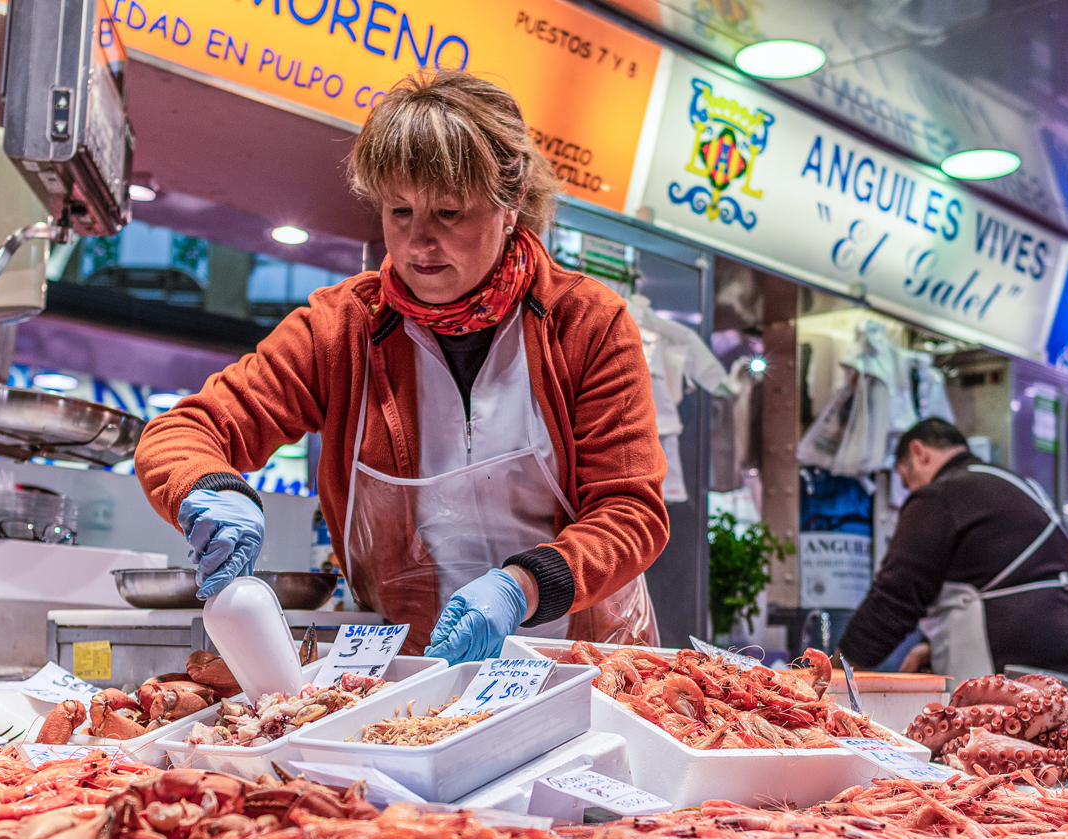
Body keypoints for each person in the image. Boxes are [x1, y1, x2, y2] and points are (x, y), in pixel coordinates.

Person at [134, 70, 669, 662]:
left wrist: (520, 587)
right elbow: (184, 431)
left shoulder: (586, 322)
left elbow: (630, 510)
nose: (418, 243)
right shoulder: (342, 328)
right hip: (415, 667)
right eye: (398, 211)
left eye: (448, 213)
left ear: (511, 203)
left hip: (584, 660)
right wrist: (209, 491)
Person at [838, 418, 1068, 682]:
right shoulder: (1013, 483)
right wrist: (929, 645)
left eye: (905, 481)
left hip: (1028, 684)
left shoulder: (939, 495)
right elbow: (1011, 576)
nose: (908, 492)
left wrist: (834, 674)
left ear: (919, 452)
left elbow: (894, 598)